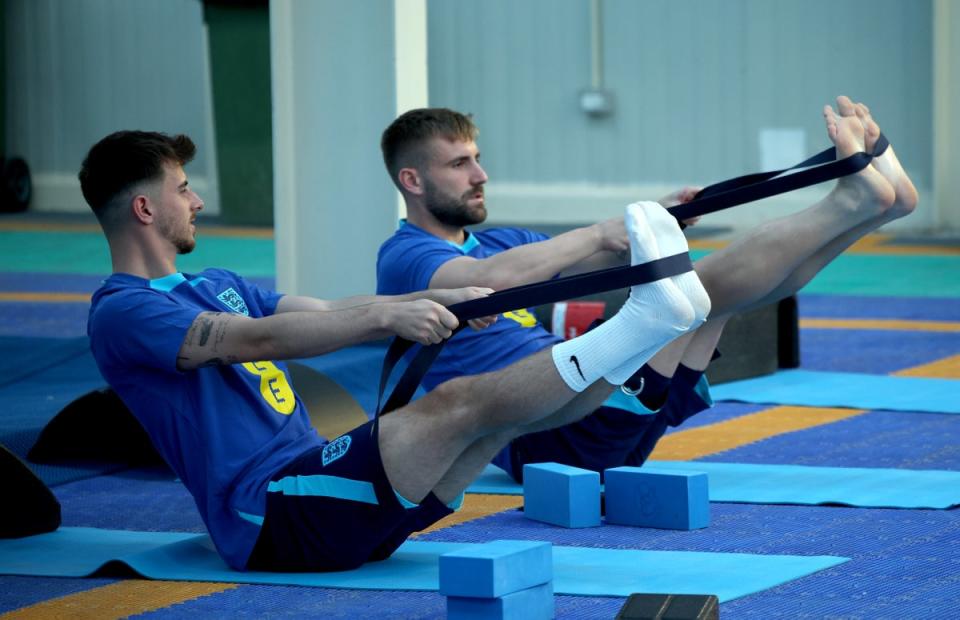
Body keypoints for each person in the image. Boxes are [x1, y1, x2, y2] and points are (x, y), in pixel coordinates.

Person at [80, 131, 710, 571]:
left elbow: (324, 313)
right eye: (184, 188)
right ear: (144, 207)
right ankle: (646, 324)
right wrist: (390, 311)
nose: (196, 201)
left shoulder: (214, 283)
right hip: (269, 513)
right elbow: (257, 340)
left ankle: (647, 330)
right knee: (457, 402)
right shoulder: (122, 311)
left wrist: (449, 305)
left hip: (313, 484)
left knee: (505, 419)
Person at [376, 96, 917, 481]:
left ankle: (870, 213)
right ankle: (850, 206)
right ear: (413, 182)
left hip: (587, 406)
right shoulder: (406, 256)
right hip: (542, 435)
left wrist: (662, 218)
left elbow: (602, 253)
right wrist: (606, 231)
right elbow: (486, 282)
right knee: (700, 289)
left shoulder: (505, 240)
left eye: (477, 157)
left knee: (725, 300)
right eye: (459, 163)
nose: (481, 174)